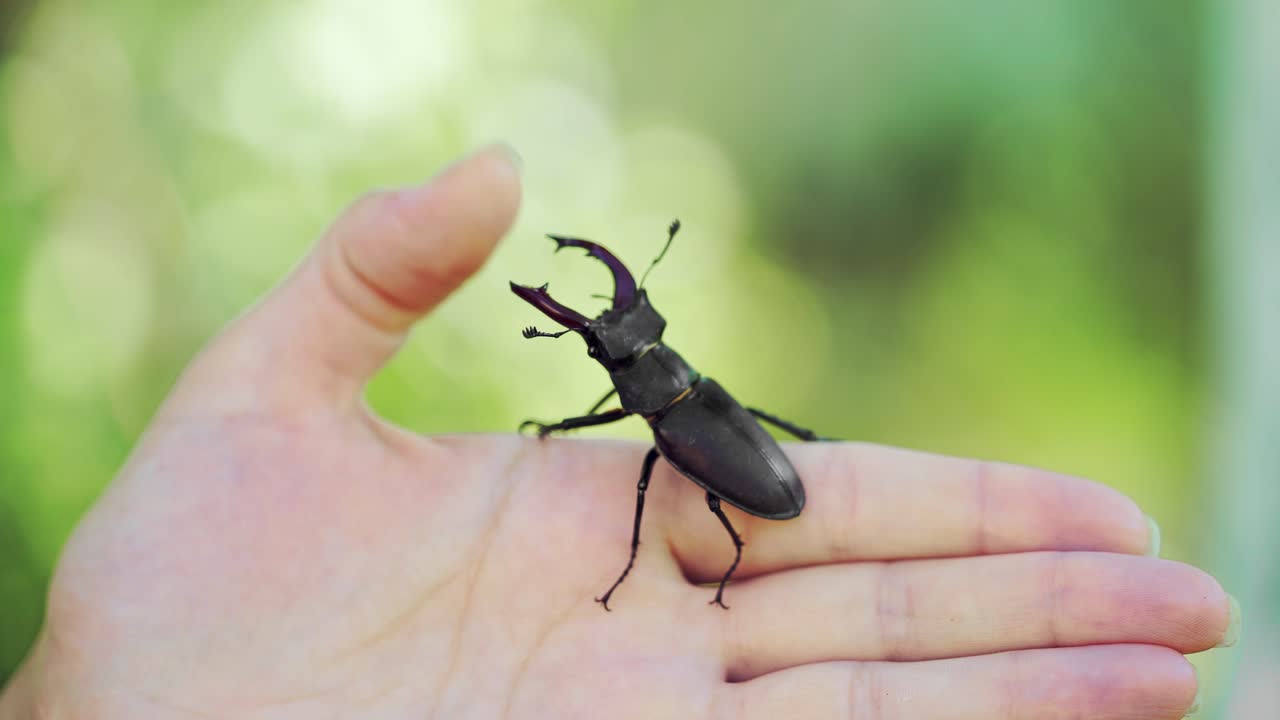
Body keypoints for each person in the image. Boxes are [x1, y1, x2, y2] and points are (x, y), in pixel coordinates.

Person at [0, 145, 1237, 719]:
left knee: (707, 469)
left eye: (619, 328)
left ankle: (748, 541)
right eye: (605, 338)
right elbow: (635, 397)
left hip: (743, 457)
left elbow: (639, 400)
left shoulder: (664, 410)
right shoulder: (663, 406)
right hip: (740, 447)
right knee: (710, 462)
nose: (614, 332)